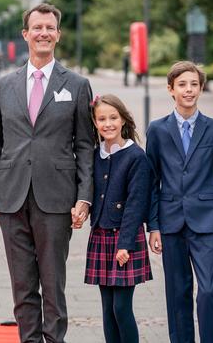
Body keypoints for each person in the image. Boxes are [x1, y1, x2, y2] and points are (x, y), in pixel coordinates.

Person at [0, 3, 94, 343]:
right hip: (11, 198)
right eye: (37, 27)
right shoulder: (4, 85)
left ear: (58, 34)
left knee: (53, 282)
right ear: (25, 34)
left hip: (56, 198)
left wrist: (84, 196)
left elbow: (85, 146)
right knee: (23, 285)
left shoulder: (77, 84)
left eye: (50, 28)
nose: (44, 33)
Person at [147, 61, 213, 343]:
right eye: (182, 85)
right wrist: (154, 226)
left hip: (206, 222)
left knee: (207, 291)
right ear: (171, 89)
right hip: (171, 223)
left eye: (194, 84)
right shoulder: (157, 130)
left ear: (201, 88)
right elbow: (152, 183)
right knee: (178, 293)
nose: (189, 90)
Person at [85, 94, 153, 343]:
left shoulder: (136, 157)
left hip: (126, 239)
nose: (108, 124)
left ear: (123, 119)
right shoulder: (95, 154)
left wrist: (125, 243)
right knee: (107, 309)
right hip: (101, 234)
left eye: (113, 118)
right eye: (101, 119)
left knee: (121, 308)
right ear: (94, 122)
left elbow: (136, 204)